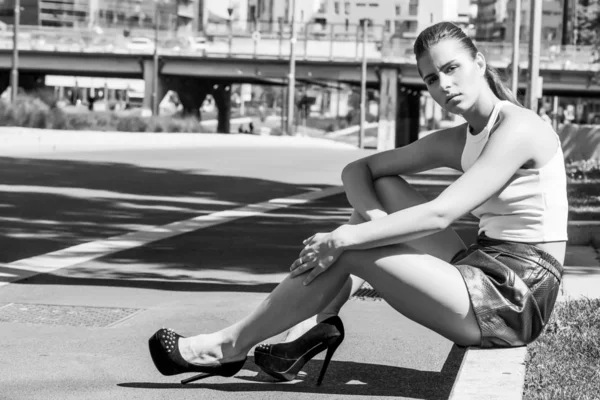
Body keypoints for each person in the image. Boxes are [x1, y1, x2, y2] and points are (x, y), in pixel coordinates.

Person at [148, 21, 568, 386]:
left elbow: (440, 212)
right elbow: (358, 169)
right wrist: (372, 221)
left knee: (352, 248)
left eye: (452, 68)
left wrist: (349, 238)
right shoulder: (458, 138)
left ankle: (227, 346)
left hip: (516, 298)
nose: (444, 86)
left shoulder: (518, 128)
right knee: (379, 191)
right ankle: (319, 324)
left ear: (479, 61)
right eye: (431, 79)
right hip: (483, 264)